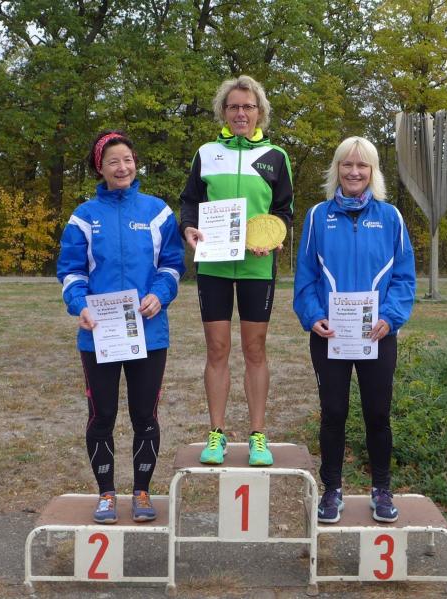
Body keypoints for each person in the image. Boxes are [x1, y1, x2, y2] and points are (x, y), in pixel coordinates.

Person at [57, 130, 185, 523]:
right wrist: (79, 306)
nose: (122, 167)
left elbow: (173, 265)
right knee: (102, 416)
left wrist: (159, 295)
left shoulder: (158, 212)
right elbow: (71, 271)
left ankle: (142, 492)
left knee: (145, 416)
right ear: (100, 167)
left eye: (127, 159)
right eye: (113, 161)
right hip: (100, 334)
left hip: (150, 332)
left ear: (135, 163)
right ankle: (106, 494)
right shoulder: (83, 217)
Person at [293, 136, 416, 523]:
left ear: (373, 172)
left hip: (377, 334)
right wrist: (313, 315)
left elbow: (404, 277)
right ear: (337, 169)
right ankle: (332, 490)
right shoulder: (317, 216)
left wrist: (390, 317)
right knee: (333, 413)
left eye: (362, 165)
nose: (354, 172)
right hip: (329, 334)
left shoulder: (391, 217)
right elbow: (305, 277)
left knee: (378, 414)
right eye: (347, 164)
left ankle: (382, 489)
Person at [180, 75, 293, 466]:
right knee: (217, 348)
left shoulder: (276, 156)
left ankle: (258, 434)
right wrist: (188, 228)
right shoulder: (206, 152)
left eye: (248, 106)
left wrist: (275, 236)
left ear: (259, 111)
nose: (241, 113)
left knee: (254, 349)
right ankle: (216, 434)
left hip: (256, 265)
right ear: (223, 112)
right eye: (234, 107)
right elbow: (190, 202)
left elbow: (284, 210)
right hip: (213, 263)